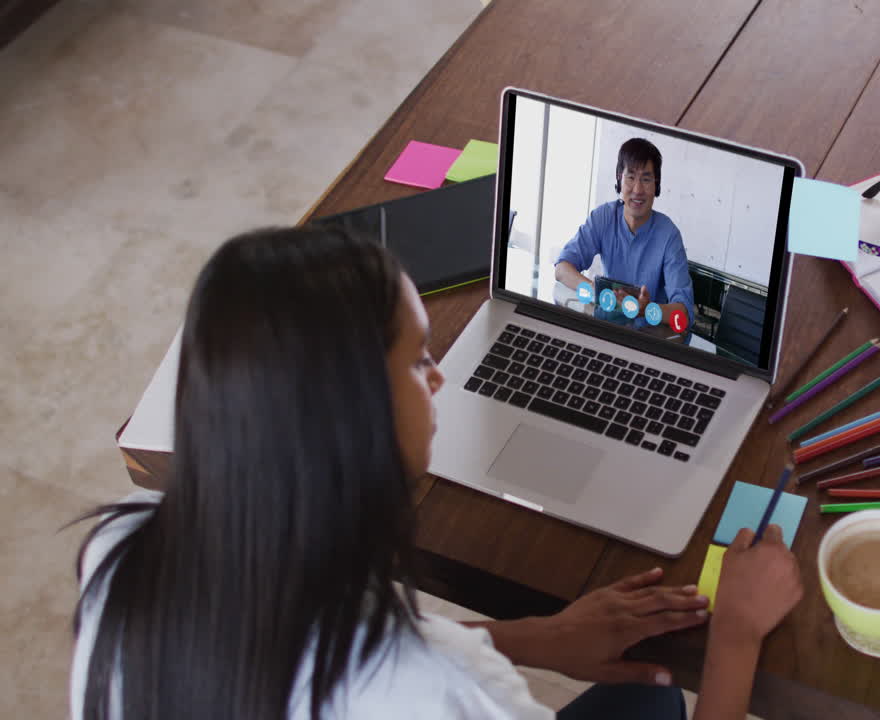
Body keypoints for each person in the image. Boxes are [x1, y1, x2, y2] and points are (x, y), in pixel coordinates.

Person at [71, 226, 802, 720]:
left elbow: (322, 645)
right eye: (420, 360)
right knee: (662, 697)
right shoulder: (442, 695)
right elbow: (410, 675)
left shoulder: (122, 553)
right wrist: (735, 633)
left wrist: (534, 638)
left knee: (645, 699)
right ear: (358, 421)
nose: (441, 379)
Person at [554, 138, 695, 334]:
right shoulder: (604, 217)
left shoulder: (669, 235)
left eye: (646, 179)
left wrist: (646, 310)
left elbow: (683, 314)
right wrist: (595, 292)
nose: (637, 190)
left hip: (649, 339)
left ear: (657, 185)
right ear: (619, 179)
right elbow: (561, 268)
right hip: (606, 330)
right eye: (630, 177)